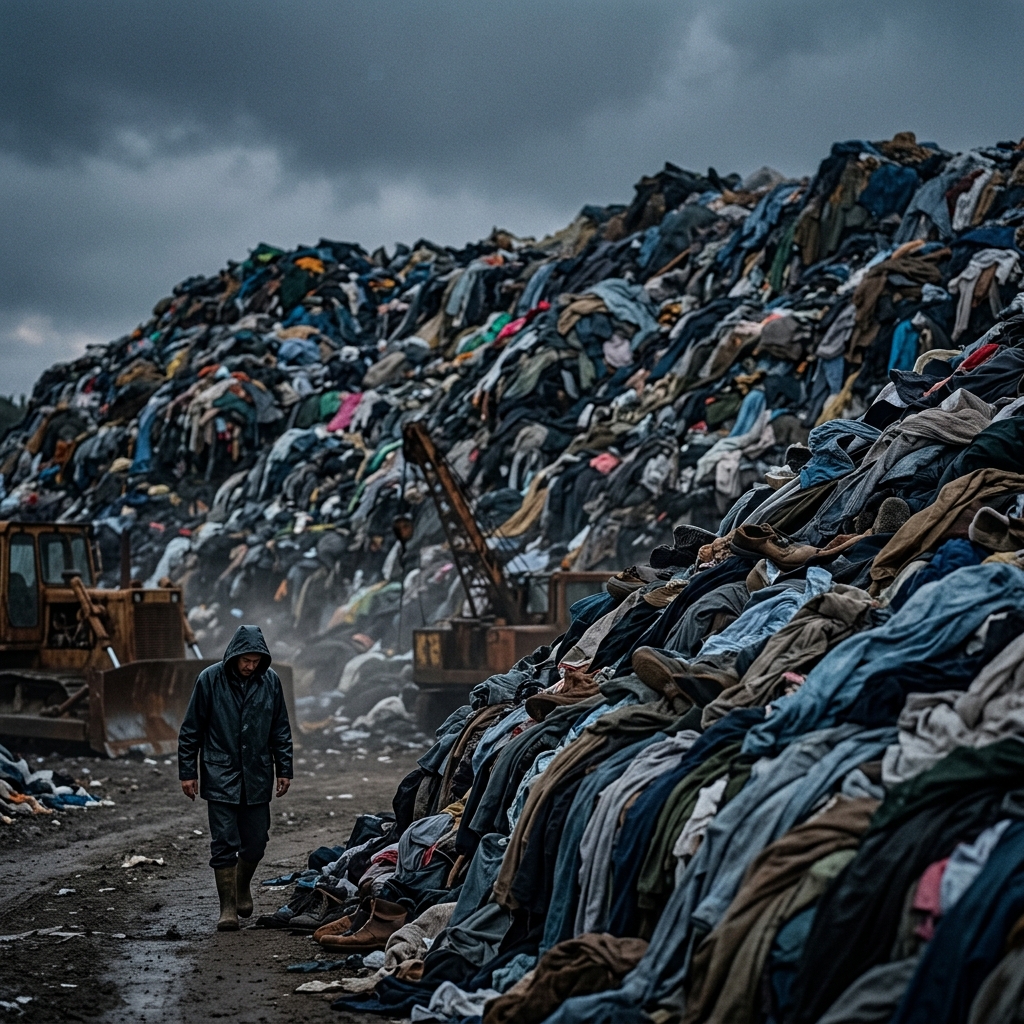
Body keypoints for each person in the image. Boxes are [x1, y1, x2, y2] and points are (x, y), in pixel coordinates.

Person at [177, 624, 293, 931]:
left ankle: (242, 885)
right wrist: (188, 773)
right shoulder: (209, 680)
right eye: (246, 660)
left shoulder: (270, 681)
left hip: (257, 773)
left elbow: (280, 729)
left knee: (256, 841)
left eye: (256, 661)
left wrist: (284, 769)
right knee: (224, 842)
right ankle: (227, 908)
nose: (250, 666)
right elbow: (191, 731)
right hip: (220, 773)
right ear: (234, 655)